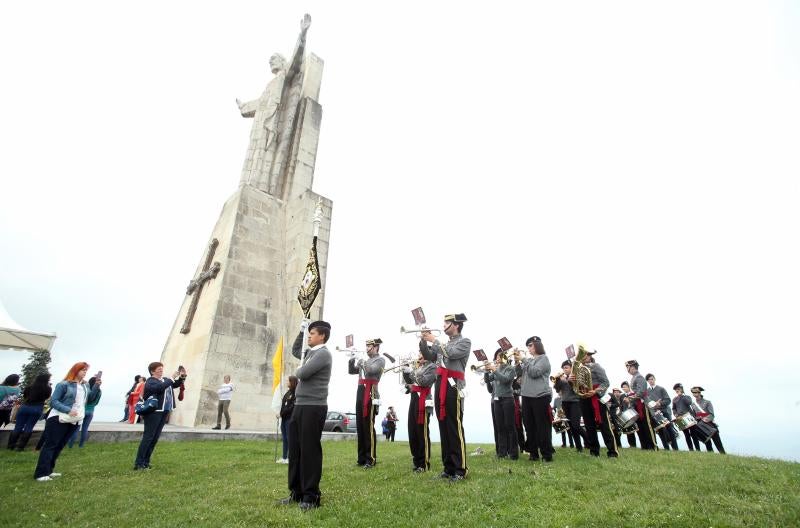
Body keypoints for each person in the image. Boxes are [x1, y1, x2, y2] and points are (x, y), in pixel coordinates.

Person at [279, 320, 332, 511]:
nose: (309, 336)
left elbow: (302, 372)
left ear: (322, 336)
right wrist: (301, 331)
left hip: (314, 406)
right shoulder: (308, 352)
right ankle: (296, 492)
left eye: (312, 333)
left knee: (309, 452)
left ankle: (311, 496)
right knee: (295, 451)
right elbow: (295, 350)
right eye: (308, 333)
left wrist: (300, 366)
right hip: (300, 406)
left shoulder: (323, 354)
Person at [420, 313, 470, 482]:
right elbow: (429, 356)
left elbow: (450, 353)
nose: (444, 324)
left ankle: (460, 469)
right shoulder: (443, 343)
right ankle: (448, 467)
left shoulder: (464, 342)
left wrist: (434, 339)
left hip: (454, 386)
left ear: (456, 325)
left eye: (447, 322)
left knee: (454, 426)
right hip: (440, 384)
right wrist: (423, 341)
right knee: (443, 425)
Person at [34, 362, 101, 481]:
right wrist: (68, 409)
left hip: (74, 420)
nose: (85, 372)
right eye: (82, 370)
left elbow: (89, 399)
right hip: (59, 418)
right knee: (51, 445)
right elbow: (53, 401)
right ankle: (41, 473)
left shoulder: (85, 386)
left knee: (59, 445)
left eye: (86, 370)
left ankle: (49, 470)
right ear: (75, 370)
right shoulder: (64, 384)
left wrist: (96, 386)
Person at [133, 363, 186, 470]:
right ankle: (139, 463)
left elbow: (174, 384)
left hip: (164, 412)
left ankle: (146, 462)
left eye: (162, 369)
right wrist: (171, 378)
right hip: (154, 412)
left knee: (154, 438)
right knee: (148, 437)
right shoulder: (150, 381)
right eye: (159, 369)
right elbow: (159, 388)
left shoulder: (164, 380)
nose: (161, 370)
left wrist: (182, 377)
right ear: (152, 371)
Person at [572, 349, 618, 458]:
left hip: (597, 398)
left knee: (604, 425)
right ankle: (594, 451)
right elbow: (575, 386)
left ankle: (612, 452)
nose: (582, 357)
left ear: (589, 356)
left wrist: (596, 391)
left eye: (584, 355)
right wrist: (571, 380)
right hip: (583, 397)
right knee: (589, 425)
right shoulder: (577, 368)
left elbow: (606, 382)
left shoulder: (596, 366)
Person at [348, 338, 385, 468]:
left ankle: (371, 458)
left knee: (368, 426)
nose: (366, 348)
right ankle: (361, 458)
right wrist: (352, 359)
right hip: (360, 391)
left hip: (371, 392)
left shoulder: (380, 360)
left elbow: (370, 371)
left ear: (375, 347)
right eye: (366, 345)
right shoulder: (366, 360)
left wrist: (361, 360)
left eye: (369, 346)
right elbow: (352, 371)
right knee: (360, 425)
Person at [515, 336, 554, 462]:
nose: (528, 348)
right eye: (528, 346)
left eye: (530, 345)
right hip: (526, 396)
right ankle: (533, 453)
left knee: (542, 427)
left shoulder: (544, 359)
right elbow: (520, 375)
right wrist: (517, 363)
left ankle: (547, 455)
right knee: (529, 426)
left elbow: (534, 372)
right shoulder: (530, 361)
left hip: (539, 397)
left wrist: (524, 360)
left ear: (538, 345)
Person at [402, 352, 436, 472]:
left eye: (421, 353)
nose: (419, 355)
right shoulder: (418, 367)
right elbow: (410, 381)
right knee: (413, 430)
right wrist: (405, 371)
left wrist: (411, 371)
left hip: (424, 399)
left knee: (422, 432)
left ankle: (424, 463)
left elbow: (424, 382)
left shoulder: (432, 367)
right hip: (415, 398)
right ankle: (416, 461)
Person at [486, 349, 521, 460]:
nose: (497, 358)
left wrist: (494, 370)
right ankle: (502, 453)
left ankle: (513, 454)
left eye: (500, 356)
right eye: (497, 357)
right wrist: (487, 370)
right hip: (497, 400)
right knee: (500, 427)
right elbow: (487, 380)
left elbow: (505, 380)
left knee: (510, 427)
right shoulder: (497, 369)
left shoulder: (510, 369)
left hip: (507, 399)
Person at [8, 373, 51, 451]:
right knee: (29, 427)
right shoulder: (48, 388)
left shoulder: (29, 387)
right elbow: (47, 397)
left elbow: (25, 396)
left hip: (25, 406)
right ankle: (20, 447)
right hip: (37, 408)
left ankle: (11, 446)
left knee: (18, 426)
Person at [624, 360, 658, 450]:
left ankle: (653, 446)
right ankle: (645, 446)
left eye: (628, 367)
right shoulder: (634, 377)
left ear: (633, 367)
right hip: (637, 405)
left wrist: (630, 398)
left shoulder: (639, 377)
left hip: (643, 405)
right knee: (641, 426)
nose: (627, 369)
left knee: (647, 426)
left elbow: (641, 392)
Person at [553, 360, 585, 452]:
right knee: (571, 426)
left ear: (571, 368)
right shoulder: (563, 380)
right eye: (563, 368)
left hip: (575, 402)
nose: (564, 369)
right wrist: (558, 380)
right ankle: (579, 447)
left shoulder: (575, 376)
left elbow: (577, 388)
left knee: (576, 425)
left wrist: (567, 380)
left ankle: (589, 441)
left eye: (566, 367)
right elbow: (557, 389)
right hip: (565, 403)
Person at [645, 373, 679, 450]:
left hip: (664, 412)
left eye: (652, 379)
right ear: (647, 381)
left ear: (655, 379)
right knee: (660, 431)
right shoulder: (646, 392)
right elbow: (646, 403)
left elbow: (668, 400)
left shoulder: (661, 389)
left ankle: (675, 448)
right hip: (655, 414)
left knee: (670, 429)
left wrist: (659, 403)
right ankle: (666, 448)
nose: (651, 381)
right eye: (649, 380)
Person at [67, 376, 102, 448]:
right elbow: (96, 402)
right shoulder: (99, 391)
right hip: (91, 411)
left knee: (76, 428)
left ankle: (70, 445)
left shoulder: (86, 389)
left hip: (82, 411)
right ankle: (81, 445)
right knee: (85, 429)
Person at [690, 386, 726, 454]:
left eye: (696, 392)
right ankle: (711, 458)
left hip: (709, 425)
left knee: (718, 444)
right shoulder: (693, 405)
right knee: (707, 444)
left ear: (699, 392)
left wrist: (705, 418)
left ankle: (724, 456)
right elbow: (694, 416)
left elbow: (711, 414)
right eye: (693, 392)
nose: (694, 394)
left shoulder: (707, 402)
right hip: (701, 426)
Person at [672, 383, 700, 451]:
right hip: (680, 419)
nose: (677, 391)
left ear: (681, 389)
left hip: (689, 417)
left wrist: (682, 395)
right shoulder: (674, 399)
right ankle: (691, 450)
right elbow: (673, 408)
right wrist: (675, 414)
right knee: (686, 435)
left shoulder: (687, 397)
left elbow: (689, 402)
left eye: (678, 389)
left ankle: (698, 449)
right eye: (676, 390)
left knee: (693, 434)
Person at [277, 376, 297, 464]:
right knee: (285, 438)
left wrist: (281, 413)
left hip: (290, 419)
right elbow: (283, 405)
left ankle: (290, 458)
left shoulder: (296, 393)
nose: (286, 382)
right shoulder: (287, 392)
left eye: (288, 381)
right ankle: (284, 457)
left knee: (290, 439)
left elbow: (291, 407)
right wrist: (279, 413)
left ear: (292, 382)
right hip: (284, 419)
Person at [619, 381, 637, 448]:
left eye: (625, 387)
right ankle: (632, 445)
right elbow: (621, 406)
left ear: (629, 387)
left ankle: (641, 445)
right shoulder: (622, 396)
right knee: (628, 430)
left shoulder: (633, 394)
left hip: (633, 414)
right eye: (623, 387)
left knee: (636, 430)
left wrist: (629, 401)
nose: (624, 388)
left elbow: (636, 404)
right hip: (626, 415)